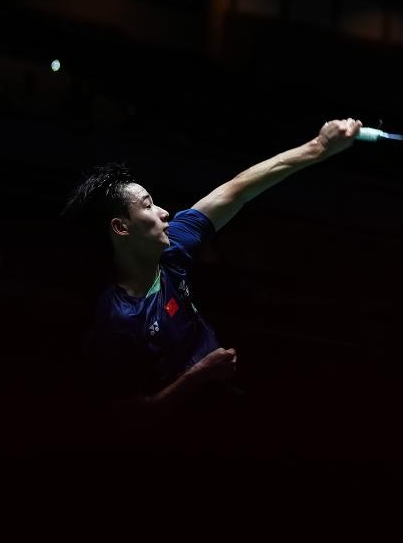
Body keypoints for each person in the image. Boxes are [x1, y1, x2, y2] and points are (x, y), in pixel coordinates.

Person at [60, 118, 362, 419]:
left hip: (223, 395)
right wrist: (201, 373)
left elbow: (237, 190)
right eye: (148, 205)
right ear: (121, 227)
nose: (164, 212)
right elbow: (129, 416)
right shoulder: (115, 319)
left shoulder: (171, 250)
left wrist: (319, 146)